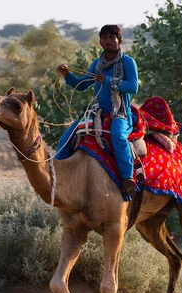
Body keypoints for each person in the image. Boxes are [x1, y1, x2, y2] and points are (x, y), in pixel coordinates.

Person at [55, 24, 139, 196]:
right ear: (100, 42)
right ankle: (56, 172)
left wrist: (108, 80)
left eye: (111, 37)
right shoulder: (97, 63)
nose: (108, 41)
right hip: (97, 111)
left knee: (118, 136)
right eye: (105, 38)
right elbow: (82, 85)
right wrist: (67, 75)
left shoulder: (128, 62)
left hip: (120, 112)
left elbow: (133, 87)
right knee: (68, 136)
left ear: (119, 40)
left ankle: (127, 178)